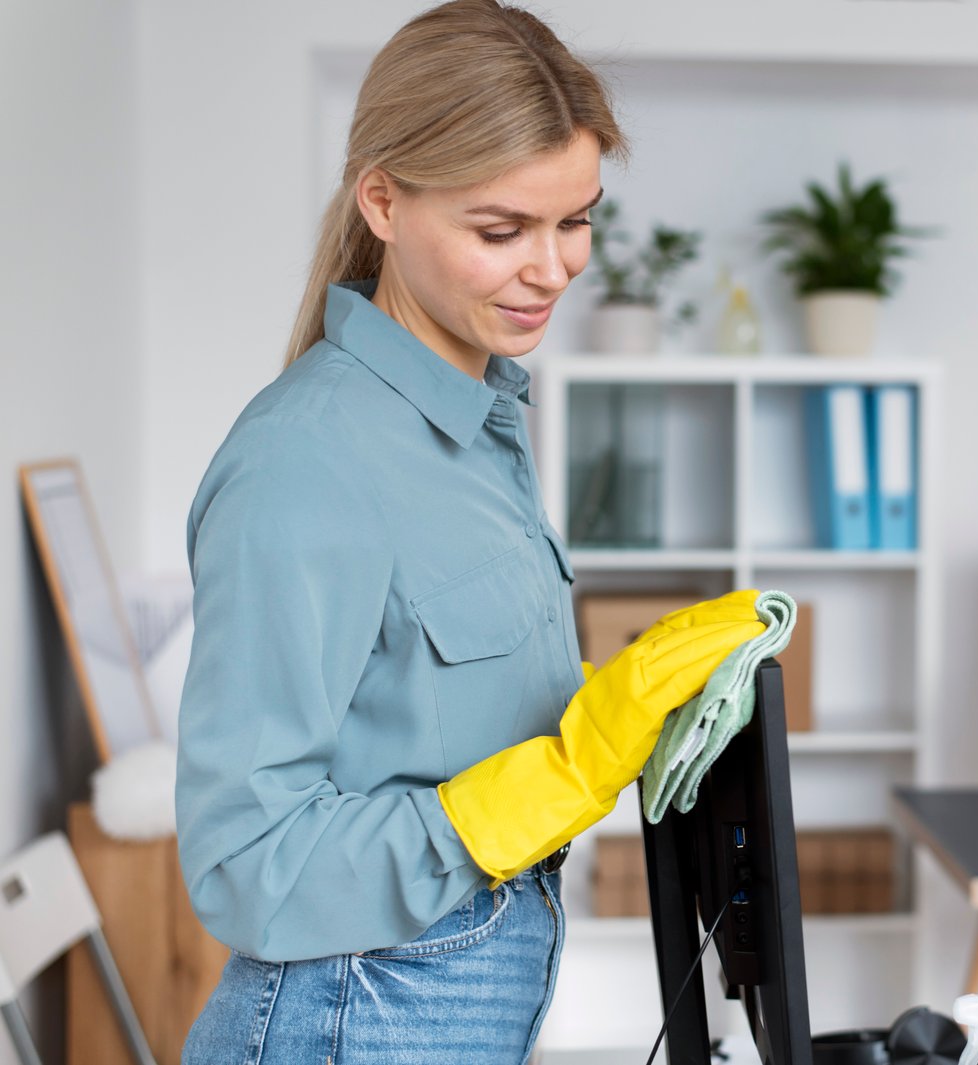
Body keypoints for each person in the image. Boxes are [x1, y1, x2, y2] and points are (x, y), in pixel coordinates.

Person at [176, 4, 764, 1062]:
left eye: (575, 220)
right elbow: (246, 860)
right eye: (502, 232)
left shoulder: (480, 423)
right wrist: (534, 793)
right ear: (383, 201)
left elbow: (428, 712)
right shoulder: (307, 461)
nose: (553, 268)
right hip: (353, 1013)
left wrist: (626, 713)